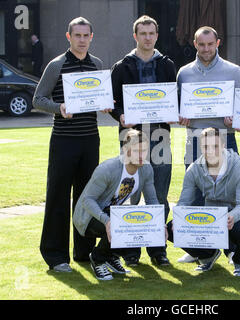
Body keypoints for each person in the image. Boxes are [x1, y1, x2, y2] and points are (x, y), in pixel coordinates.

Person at [33, 17, 112, 272]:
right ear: (69, 37)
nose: (81, 40)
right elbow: (38, 99)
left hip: (90, 139)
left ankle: (84, 251)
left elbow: (103, 99)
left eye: (85, 35)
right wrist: (59, 108)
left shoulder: (97, 65)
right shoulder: (57, 65)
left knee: (87, 196)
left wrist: (105, 104)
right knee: (58, 196)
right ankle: (56, 257)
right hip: (64, 140)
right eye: (76, 35)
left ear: (91, 37)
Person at [176, 26, 240, 263]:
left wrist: (236, 118)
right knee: (196, 194)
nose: (206, 49)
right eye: (201, 44)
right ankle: (203, 249)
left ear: (218, 42)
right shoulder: (183, 73)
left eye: (210, 44)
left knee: (227, 195)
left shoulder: (233, 70)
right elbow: (177, 109)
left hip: (225, 139)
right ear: (195, 44)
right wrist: (180, 116)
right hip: (194, 140)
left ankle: (233, 249)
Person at [110, 15, 176, 267]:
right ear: (135, 36)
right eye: (143, 33)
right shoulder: (122, 66)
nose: (147, 37)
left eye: (151, 33)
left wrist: (174, 113)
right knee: (130, 194)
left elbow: (175, 98)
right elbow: (112, 102)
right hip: (131, 139)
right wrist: (120, 115)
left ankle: (157, 250)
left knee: (158, 194)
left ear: (156, 36)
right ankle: (130, 250)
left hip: (160, 137)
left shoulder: (167, 64)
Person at [73, 130, 161, 280]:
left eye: (144, 150)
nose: (141, 156)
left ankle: (110, 256)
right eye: (136, 151)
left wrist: (160, 224)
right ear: (126, 150)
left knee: (133, 224)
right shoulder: (107, 169)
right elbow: (87, 200)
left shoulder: (146, 169)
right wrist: (107, 221)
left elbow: (152, 201)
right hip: (87, 216)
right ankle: (98, 259)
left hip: (112, 213)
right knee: (121, 226)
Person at [167, 127, 240, 276]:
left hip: (234, 215)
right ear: (201, 147)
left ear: (223, 146)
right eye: (205, 147)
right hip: (210, 217)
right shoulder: (194, 169)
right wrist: (177, 219)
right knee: (171, 228)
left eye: (215, 146)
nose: (210, 151)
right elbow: (184, 202)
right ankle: (208, 255)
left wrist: (232, 216)